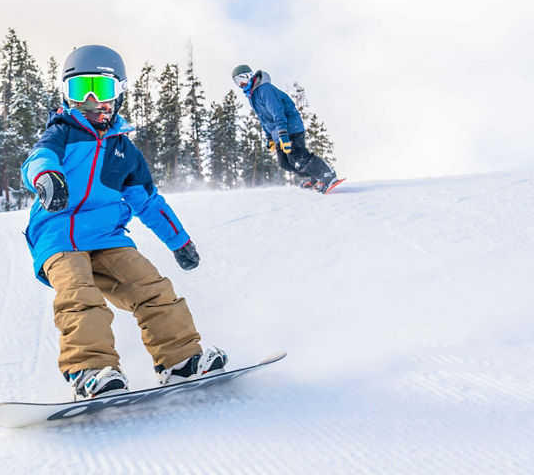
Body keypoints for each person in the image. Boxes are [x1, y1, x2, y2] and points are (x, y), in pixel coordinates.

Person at [21, 45, 227, 400]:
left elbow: (148, 202)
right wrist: (47, 177)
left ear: (118, 94)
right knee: (80, 296)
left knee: (152, 288)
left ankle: (179, 361)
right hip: (58, 235)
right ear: (66, 95)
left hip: (107, 237)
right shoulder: (62, 131)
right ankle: (89, 370)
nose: (90, 100)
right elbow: (37, 160)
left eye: (100, 90)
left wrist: (179, 241)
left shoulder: (124, 151)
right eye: (78, 90)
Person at [232, 64, 342, 193]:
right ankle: (314, 176)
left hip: (290, 127)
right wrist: (269, 138)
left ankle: (326, 174)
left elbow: (278, 112)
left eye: (242, 80)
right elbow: (264, 119)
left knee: (297, 156)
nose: (241, 84)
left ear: (249, 76)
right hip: (277, 132)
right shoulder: (252, 97)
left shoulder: (264, 90)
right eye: (237, 82)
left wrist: (283, 133)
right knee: (285, 163)